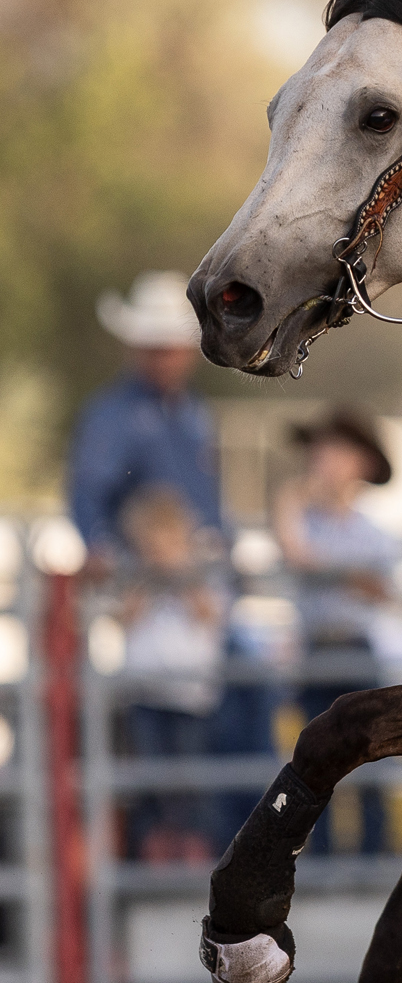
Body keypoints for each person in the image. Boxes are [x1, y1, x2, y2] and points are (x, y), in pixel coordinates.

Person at [273, 408, 399, 854]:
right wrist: (348, 575)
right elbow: (297, 555)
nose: (322, 460)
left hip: (354, 648)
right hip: (316, 649)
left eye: (335, 451)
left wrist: (331, 571)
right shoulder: (305, 518)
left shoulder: (371, 530)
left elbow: (380, 588)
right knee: (313, 763)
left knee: (368, 758)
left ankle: (373, 855)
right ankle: (318, 855)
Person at [68, 271, 224, 572]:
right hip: (137, 573)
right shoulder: (111, 416)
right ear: (134, 349)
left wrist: (218, 540)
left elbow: (208, 496)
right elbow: (90, 492)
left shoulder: (196, 412)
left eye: (172, 349)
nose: (165, 360)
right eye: (155, 350)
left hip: (195, 575)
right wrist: (100, 547)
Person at [116, 485, 226, 862]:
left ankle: (194, 857)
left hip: (188, 698)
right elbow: (123, 618)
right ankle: (155, 858)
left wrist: (182, 576)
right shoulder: (136, 578)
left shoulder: (202, 572)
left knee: (189, 784)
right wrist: (147, 581)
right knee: (150, 785)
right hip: (146, 695)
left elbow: (209, 614)